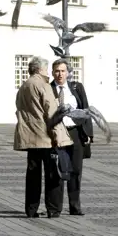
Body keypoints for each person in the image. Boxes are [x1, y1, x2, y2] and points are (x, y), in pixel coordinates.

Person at [14, 56, 73, 219]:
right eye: (46, 69)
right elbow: (51, 113)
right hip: (46, 137)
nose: (48, 72)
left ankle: (31, 209)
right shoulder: (44, 86)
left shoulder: (23, 86)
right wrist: (58, 136)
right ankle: (53, 209)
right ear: (40, 69)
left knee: (33, 175)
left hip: (30, 137)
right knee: (52, 174)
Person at [50, 59, 93, 216]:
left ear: (67, 73)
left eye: (62, 71)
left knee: (76, 170)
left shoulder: (76, 88)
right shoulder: (49, 89)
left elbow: (85, 109)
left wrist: (88, 134)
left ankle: (75, 206)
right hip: (58, 132)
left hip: (75, 132)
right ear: (52, 72)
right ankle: (56, 208)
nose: (60, 74)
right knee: (58, 170)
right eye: (56, 71)